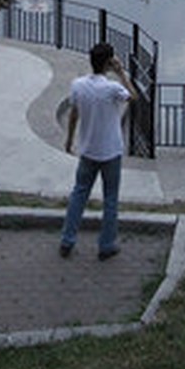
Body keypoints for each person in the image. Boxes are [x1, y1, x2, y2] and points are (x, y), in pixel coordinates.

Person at [59, 41, 138, 261]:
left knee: (79, 194)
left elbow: (74, 113)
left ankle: (67, 240)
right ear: (109, 63)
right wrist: (121, 73)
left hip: (88, 149)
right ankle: (106, 245)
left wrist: (69, 139)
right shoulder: (112, 88)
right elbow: (134, 97)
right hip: (111, 151)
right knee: (110, 199)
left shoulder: (78, 85)